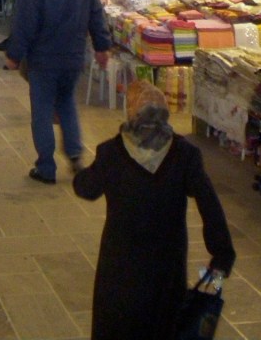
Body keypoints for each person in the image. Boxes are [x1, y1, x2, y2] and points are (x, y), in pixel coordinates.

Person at [73, 80, 236, 340]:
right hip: (167, 267)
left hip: (120, 267)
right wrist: (221, 259)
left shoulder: (111, 153)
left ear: (131, 113)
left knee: (117, 327)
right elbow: (210, 205)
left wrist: (79, 171)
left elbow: (87, 189)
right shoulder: (185, 155)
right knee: (164, 327)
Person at [4, 0, 111, 182]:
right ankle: (75, 156)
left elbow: (24, 27)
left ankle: (46, 167)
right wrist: (102, 46)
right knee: (66, 104)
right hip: (73, 59)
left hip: (43, 62)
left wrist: (13, 56)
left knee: (42, 111)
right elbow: (97, 16)